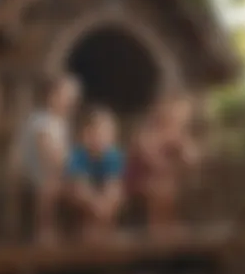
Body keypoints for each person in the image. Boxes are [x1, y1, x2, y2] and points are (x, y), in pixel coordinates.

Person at [125, 93, 198, 236]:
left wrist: (183, 147)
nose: (181, 119)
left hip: (168, 181)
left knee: (168, 185)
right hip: (139, 181)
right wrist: (168, 143)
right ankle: (156, 226)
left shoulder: (179, 134)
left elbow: (192, 160)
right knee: (161, 185)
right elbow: (153, 162)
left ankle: (170, 223)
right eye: (177, 113)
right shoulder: (147, 132)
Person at [21, 74, 81, 244]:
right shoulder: (40, 120)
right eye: (66, 97)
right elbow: (46, 153)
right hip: (35, 171)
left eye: (72, 99)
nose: (69, 102)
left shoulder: (62, 123)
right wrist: (67, 167)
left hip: (58, 170)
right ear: (52, 96)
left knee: (82, 183)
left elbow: (65, 154)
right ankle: (44, 230)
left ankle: (85, 229)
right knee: (50, 184)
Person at [66, 106, 124, 240]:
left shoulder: (114, 156)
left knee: (116, 194)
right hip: (86, 195)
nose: (104, 138)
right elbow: (79, 184)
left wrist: (105, 205)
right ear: (87, 134)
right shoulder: (79, 155)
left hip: (104, 195)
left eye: (109, 133)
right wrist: (96, 205)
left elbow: (113, 183)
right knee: (78, 192)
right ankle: (88, 231)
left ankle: (107, 229)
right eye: (100, 132)